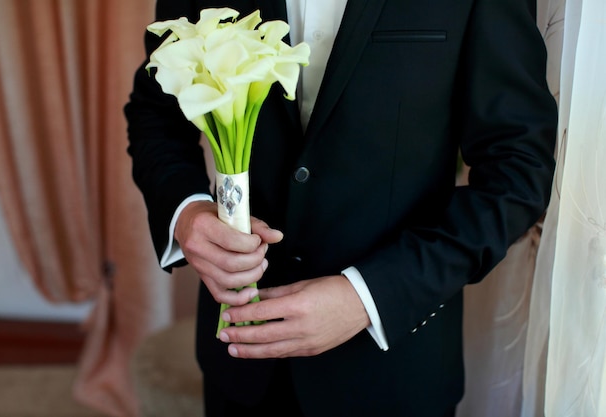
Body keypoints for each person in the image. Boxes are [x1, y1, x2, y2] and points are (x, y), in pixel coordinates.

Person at [124, 0, 557, 416]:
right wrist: (188, 215)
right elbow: (155, 113)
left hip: (395, 376)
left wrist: (367, 298)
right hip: (242, 364)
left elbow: (517, 169)